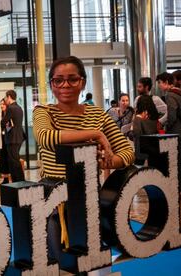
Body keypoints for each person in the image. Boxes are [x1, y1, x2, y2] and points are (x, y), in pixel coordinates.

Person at [33, 56, 134, 259]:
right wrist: (95, 134)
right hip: (53, 199)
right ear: (51, 84)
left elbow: (127, 152)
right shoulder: (44, 112)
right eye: (58, 80)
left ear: (83, 82)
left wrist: (103, 161)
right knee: (58, 261)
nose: (65, 85)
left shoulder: (98, 115)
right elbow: (46, 138)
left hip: (88, 195)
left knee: (89, 258)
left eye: (72, 79)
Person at [156, 72, 181, 199]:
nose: (159, 86)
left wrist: (166, 127)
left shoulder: (170, 95)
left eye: (159, 83)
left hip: (176, 132)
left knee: (177, 161)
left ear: (166, 83)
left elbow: (172, 115)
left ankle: (180, 189)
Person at [2, 90, 25, 182]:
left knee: (14, 162)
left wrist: (4, 122)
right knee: (15, 160)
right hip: (19, 137)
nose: (5, 100)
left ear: (9, 97)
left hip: (12, 138)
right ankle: (18, 181)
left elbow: (3, 122)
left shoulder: (10, 108)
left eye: (6, 97)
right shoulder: (19, 108)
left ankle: (19, 181)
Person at [132, 95, 160, 165]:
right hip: (154, 147)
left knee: (139, 170)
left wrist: (129, 133)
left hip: (141, 150)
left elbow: (137, 133)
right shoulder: (154, 116)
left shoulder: (138, 118)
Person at [0, 99, 10, 184]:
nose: (1, 106)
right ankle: (5, 179)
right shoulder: (0, 115)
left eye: (3, 104)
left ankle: (11, 178)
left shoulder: (9, 115)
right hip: (2, 139)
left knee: (9, 159)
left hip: (8, 140)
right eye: (0, 104)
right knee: (3, 159)